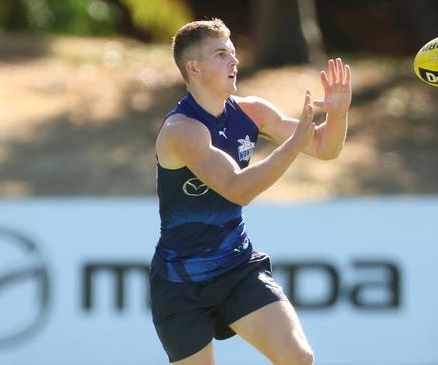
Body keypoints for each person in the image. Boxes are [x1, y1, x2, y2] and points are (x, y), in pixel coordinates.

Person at [149, 18, 351, 365]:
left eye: (233, 51)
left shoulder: (252, 111)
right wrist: (292, 146)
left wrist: (338, 114)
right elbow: (237, 189)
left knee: (298, 357)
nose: (234, 61)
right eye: (221, 53)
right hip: (180, 283)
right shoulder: (181, 130)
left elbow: (323, 147)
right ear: (193, 68)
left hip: (237, 268)